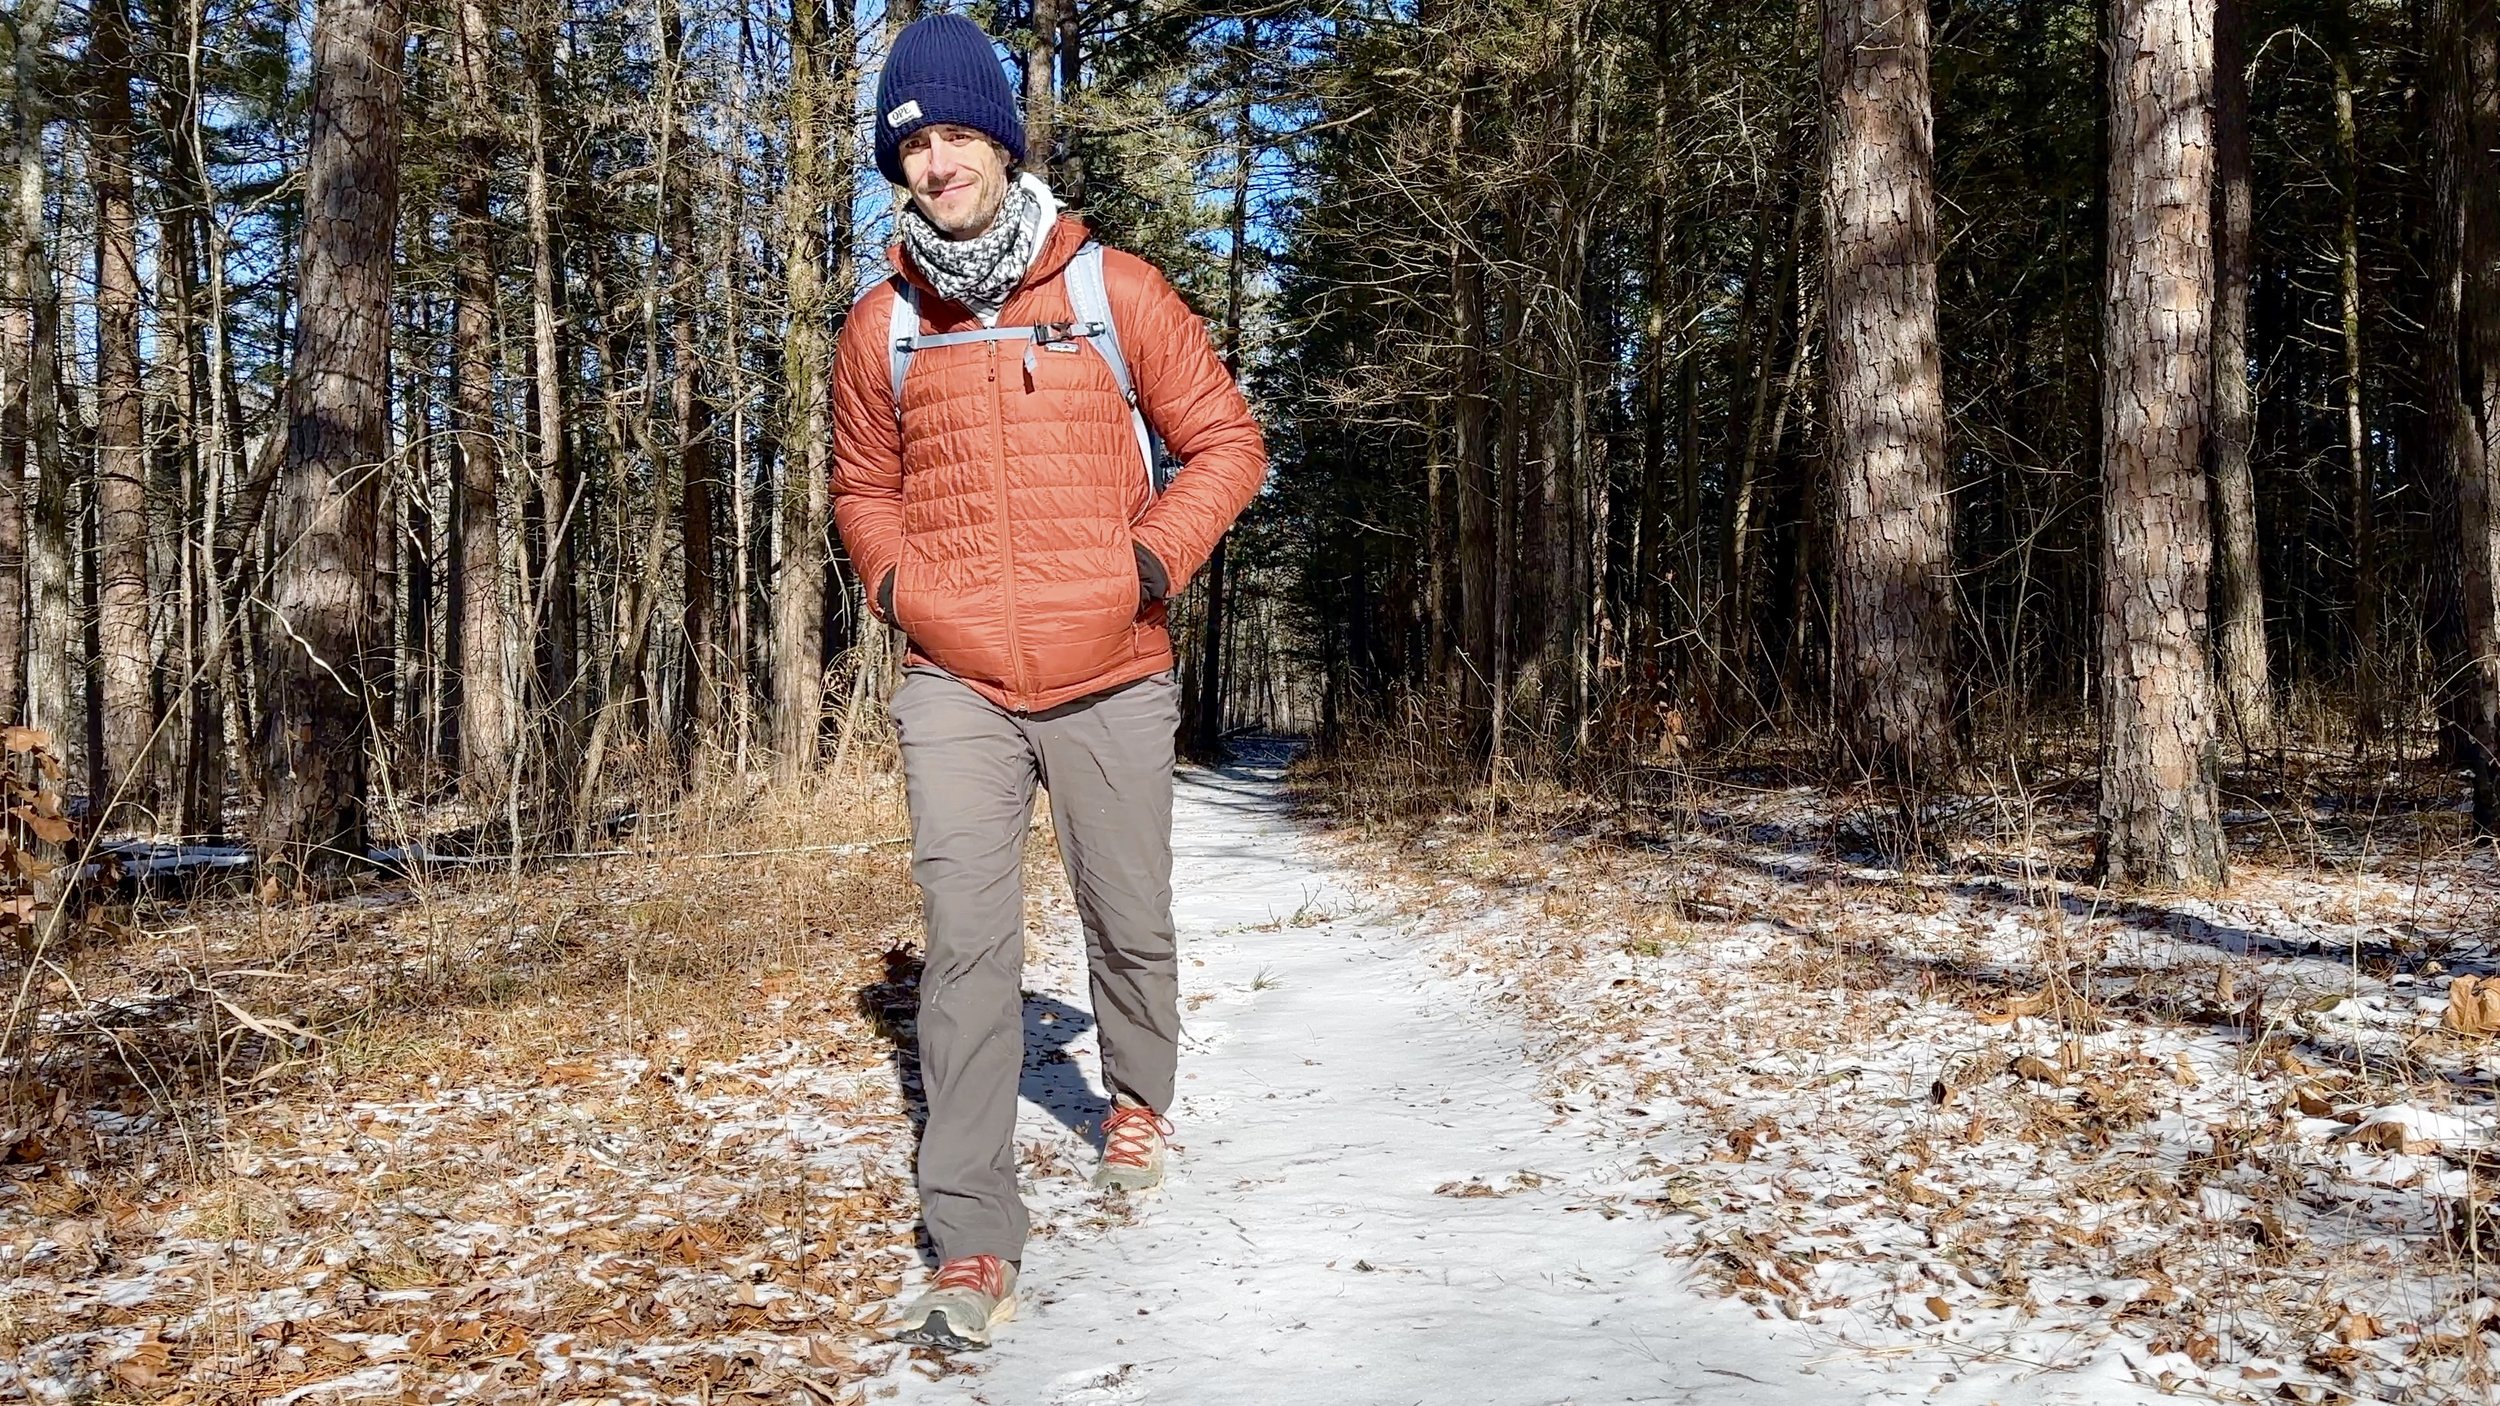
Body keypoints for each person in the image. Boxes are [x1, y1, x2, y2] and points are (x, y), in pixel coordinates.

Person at [829, 13, 1267, 1354]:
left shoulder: (1112, 293)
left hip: (1110, 669)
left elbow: (1228, 446)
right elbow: (862, 488)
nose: (937, 161)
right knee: (965, 947)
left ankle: (1136, 1091)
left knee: (1127, 911)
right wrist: (905, 592)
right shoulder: (881, 324)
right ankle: (971, 1231)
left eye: (958, 134)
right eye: (912, 143)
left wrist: (1145, 567)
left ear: (1004, 144)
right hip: (956, 677)